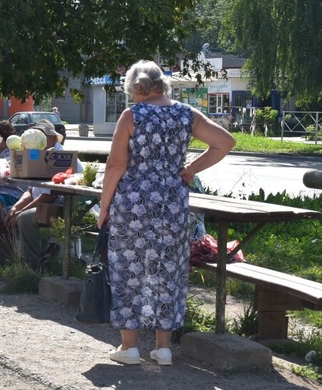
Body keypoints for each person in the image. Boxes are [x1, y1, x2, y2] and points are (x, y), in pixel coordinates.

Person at [100, 60, 236, 367]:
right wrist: (189, 170)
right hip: (172, 202)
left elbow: (115, 166)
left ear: (138, 88)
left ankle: (129, 347)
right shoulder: (186, 114)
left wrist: (105, 205)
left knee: (129, 268)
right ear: (163, 85)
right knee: (168, 269)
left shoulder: (131, 115)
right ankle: (163, 349)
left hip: (131, 203)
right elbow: (225, 143)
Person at [7, 120, 76, 269]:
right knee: (8, 211)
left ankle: (32, 266)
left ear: (51, 138)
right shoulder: (38, 157)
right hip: (44, 204)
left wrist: (21, 211)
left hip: (61, 206)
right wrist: (16, 207)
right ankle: (8, 258)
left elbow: (48, 196)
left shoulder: (58, 156)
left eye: (43, 135)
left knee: (24, 218)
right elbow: (30, 192)